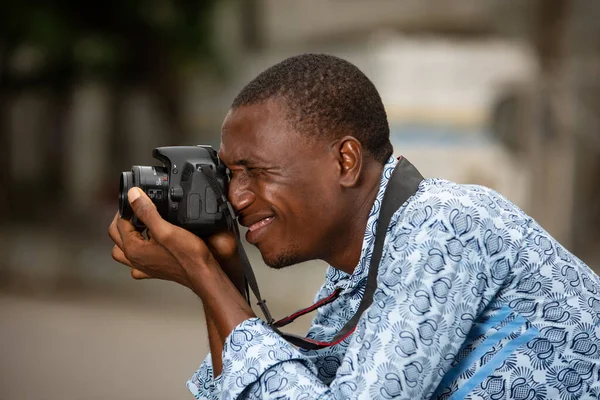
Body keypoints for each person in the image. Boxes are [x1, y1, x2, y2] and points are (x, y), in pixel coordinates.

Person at [108, 54, 600, 399]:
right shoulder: (359, 270)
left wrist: (203, 273)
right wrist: (223, 271)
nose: (236, 198)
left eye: (256, 172)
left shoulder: (443, 226)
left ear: (345, 161)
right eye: (231, 175)